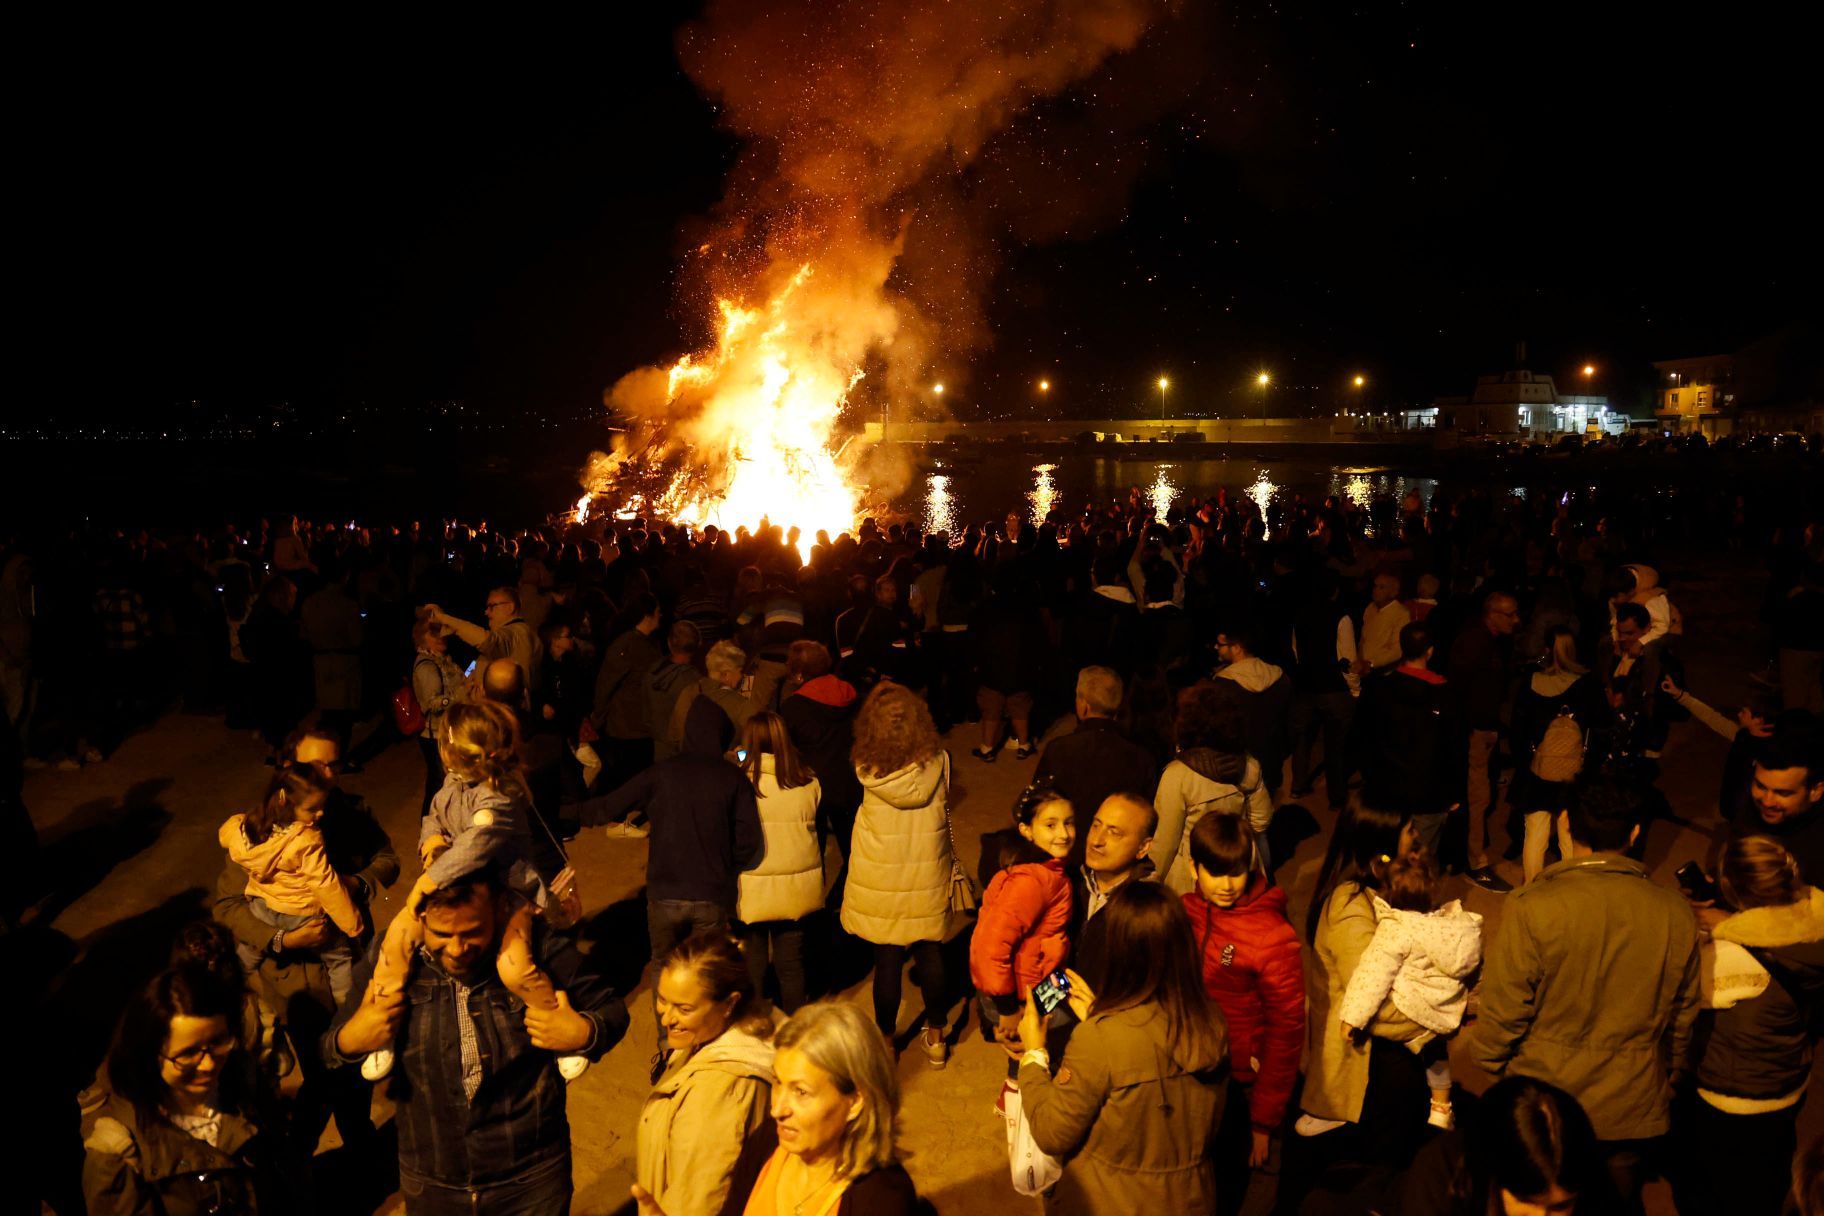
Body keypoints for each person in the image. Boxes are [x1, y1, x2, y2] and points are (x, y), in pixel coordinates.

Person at [325, 868, 629, 1215]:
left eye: (472, 932)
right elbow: (330, 1047)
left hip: (532, 1181)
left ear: (499, 910)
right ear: (420, 916)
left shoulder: (536, 948)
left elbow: (612, 1010)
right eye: (441, 934)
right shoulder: (388, 958)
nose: (456, 949)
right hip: (433, 1184)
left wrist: (584, 1032)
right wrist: (349, 1040)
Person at [1467, 781, 1700, 1211]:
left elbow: (1503, 1009)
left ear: (1567, 826)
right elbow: (1683, 1015)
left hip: (1546, 1104)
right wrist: (1669, 1078)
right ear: (1634, 834)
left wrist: (1498, 1070)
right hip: (1632, 1104)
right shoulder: (1674, 913)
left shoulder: (1531, 906)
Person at [212, 726, 398, 1156]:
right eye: (316, 765)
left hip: (349, 964)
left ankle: (352, 1152)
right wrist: (283, 938)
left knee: (352, 1072)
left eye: (333, 763)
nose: (328, 775)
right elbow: (227, 905)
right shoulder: (261, 828)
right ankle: (306, 1159)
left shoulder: (351, 812)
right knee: (325, 1073)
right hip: (295, 982)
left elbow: (388, 860)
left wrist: (355, 883)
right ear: (288, 768)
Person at [1017, 881, 1229, 1213]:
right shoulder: (1211, 1020)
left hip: (1111, 1202)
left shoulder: (1100, 1041)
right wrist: (1104, 1020)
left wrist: (1033, 1054)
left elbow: (1050, 1132)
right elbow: (1152, 1045)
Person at [632, 1000, 921, 1216]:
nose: (777, 1109)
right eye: (777, 1082)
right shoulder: (770, 1140)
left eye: (801, 1092)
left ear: (856, 1101)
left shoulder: (881, 1200)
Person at [1669, 836, 1824, 1216]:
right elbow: (1771, 932)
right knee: (1767, 1173)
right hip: (1788, 1082)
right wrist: (1737, 923)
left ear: (1730, 892)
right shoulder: (1815, 922)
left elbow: (1678, 996)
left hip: (1733, 1095)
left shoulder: (1729, 957)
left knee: (1714, 1188)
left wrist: (1708, 928)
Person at [1287, 800, 1430, 1211]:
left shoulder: (1379, 892)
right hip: (1364, 1072)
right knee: (1367, 1181)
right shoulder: (1351, 908)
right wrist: (1436, 1021)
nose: (1419, 843)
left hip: (1374, 1068)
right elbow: (1372, 1004)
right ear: (1379, 852)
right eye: (1410, 837)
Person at [82, 964, 284, 1216]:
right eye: (188, 1053)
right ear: (150, 1053)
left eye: (218, 1042)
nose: (209, 1064)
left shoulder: (240, 1081)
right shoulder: (116, 1154)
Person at [586, 693, 764, 968]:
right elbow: (749, 841)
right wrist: (726, 866)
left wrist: (566, 812)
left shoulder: (661, 773)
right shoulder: (732, 777)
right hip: (710, 892)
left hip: (664, 893)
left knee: (664, 964)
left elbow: (609, 806)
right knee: (706, 968)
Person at [1181, 815, 1302, 1211]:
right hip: (1197, 1071)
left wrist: (1264, 1122)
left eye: (1236, 871)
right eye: (1215, 872)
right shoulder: (1185, 914)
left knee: (1251, 1181)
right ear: (1192, 867)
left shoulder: (1271, 936)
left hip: (1245, 1081)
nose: (1228, 884)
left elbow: (1286, 1032)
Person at [840, 681, 956, 1066]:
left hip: (883, 876)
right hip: (926, 870)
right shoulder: (939, 760)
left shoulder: (867, 767)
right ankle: (937, 1036)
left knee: (887, 961)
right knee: (930, 953)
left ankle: (887, 1042)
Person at [1335, 849, 1483, 1131]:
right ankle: (1441, 1108)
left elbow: (1373, 975)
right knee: (1437, 1055)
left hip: (1413, 1010)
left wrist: (1352, 1016)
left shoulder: (1395, 929)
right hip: (1445, 1010)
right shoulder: (1455, 926)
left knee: (1397, 1059)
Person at [636, 932, 778, 1216]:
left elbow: (699, 1202)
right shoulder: (708, 1036)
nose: (666, 1018)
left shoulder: (721, 1093)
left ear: (729, 1004)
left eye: (684, 1008)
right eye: (662, 1000)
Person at [217, 764, 364, 1002]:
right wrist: (351, 923)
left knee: (250, 947)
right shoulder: (307, 839)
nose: (320, 814)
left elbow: (226, 831)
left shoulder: (247, 827)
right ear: (286, 802)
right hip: (302, 912)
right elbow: (324, 882)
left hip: (264, 907)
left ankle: (234, 983)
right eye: (312, 809)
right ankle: (345, 1005)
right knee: (339, 958)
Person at [1397, 1076, 1612, 1216]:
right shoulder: (1439, 1173)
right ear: (1492, 1177)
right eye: (1527, 1203)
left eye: (1560, 1206)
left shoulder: (1595, 1183)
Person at [970, 781, 1074, 1051]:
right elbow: (989, 946)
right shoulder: (1033, 882)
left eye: (1069, 822)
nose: (1063, 833)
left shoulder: (1048, 869)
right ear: (1027, 830)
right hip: (1019, 994)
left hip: (1044, 977)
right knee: (1056, 1041)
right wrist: (1007, 1010)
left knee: (1067, 992)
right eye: (1050, 825)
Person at [734, 711, 823, 1013]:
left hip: (753, 884)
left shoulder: (738, 783)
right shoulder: (808, 780)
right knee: (791, 963)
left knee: (753, 961)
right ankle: (795, 1024)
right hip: (796, 888)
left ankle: (754, 1022)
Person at [1509, 625, 1606, 883]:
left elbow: (1517, 729)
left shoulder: (1530, 682)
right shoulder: (1588, 686)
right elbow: (1601, 729)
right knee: (1568, 836)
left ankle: (1532, 888)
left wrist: (1525, 762)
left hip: (1537, 771)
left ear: (1547, 650)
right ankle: (1568, 889)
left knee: (1535, 836)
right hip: (1572, 774)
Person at [1032, 666, 1158, 863]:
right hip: (1114, 856)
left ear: (1083, 706)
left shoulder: (1058, 749)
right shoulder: (1143, 758)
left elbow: (1037, 803)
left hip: (1064, 850)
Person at [1156, 681, 1272, 889]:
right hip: (1236, 868)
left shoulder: (1177, 776)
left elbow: (1165, 843)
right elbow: (1261, 820)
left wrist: (1151, 884)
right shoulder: (1249, 765)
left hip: (1192, 879)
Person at [1362, 621, 1463, 858]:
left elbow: (1368, 738)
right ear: (1430, 650)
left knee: (1387, 852)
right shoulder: (1444, 694)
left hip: (1387, 789)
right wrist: (1453, 793)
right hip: (1428, 794)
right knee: (1419, 860)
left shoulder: (1380, 688)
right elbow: (1453, 748)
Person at [1447, 589, 1520, 891]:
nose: (1517, 620)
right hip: (1474, 733)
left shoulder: (1489, 642)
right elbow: (1459, 690)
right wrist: (1475, 730)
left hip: (1483, 731)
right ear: (1492, 615)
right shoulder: (1474, 643)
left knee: (1480, 796)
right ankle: (1475, 863)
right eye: (1510, 614)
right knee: (1477, 799)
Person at [778, 640, 863, 865]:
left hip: (814, 789)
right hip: (852, 782)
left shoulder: (792, 708)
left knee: (814, 856)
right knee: (854, 851)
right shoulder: (853, 695)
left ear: (798, 675)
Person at [1068, 791, 1159, 992]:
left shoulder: (1146, 913)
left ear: (1143, 847)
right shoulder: (1070, 881)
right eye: (1096, 825)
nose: (1096, 840)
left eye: (1114, 832)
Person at [1211, 625, 1293, 808]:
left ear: (1237, 647)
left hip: (1238, 765)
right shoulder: (1281, 678)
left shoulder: (1223, 684)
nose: (1216, 647)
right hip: (1271, 760)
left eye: (1220, 644)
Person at [591, 592, 663, 790]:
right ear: (647, 615)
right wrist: (599, 716)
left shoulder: (649, 643)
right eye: (657, 612)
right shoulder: (625, 645)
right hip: (626, 727)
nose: (661, 616)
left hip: (642, 725)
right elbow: (606, 684)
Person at [297, 564, 363, 767]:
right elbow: (357, 638)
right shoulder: (348, 605)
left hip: (320, 660)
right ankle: (337, 759)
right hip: (344, 663)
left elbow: (303, 634)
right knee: (343, 716)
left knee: (327, 712)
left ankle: (323, 755)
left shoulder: (309, 603)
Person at [428, 586, 543, 690]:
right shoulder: (509, 638)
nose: (486, 612)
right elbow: (479, 662)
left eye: (492, 606)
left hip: (498, 710)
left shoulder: (517, 633)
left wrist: (445, 619)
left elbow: (486, 640)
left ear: (510, 607)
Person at [411, 613, 468, 816]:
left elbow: (461, 680)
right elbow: (431, 703)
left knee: (444, 781)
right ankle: (429, 828)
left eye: (441, 631)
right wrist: (458, 697)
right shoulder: (426, 665)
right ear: (421, 638)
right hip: (434, 733)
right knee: (437, 783)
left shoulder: (444, 660)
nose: (441, 636)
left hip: (446, 730)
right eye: (434, 633)